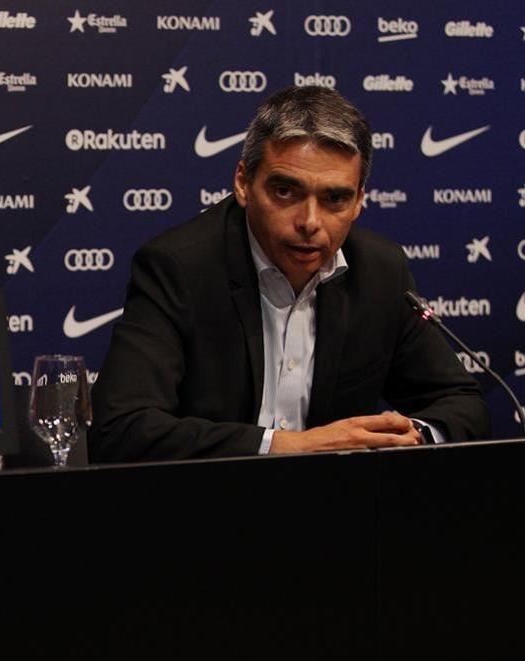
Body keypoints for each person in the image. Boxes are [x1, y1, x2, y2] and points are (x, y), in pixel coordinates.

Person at [89, 86, 489, 463]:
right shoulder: (178, 267)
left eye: (335, 198)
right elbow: (121, 427)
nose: (310, 222)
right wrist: (285, 446)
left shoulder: (381, 272)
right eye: (285, 191)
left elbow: (462, 403)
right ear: (243, 183)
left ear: (360, 201)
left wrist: (406, 436)